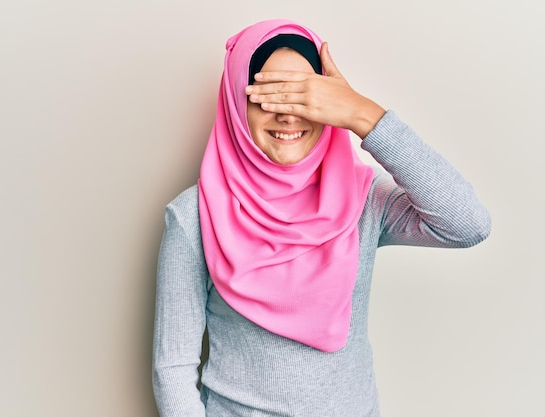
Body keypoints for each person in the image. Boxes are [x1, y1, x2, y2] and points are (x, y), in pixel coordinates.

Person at [152, 19, 491, 417]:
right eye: (266, 95)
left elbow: (467, 225)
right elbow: (173, 367)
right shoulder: (194, 216)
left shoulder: (363, 200)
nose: (287, 115)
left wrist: (363, 114)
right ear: (234, 101)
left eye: (304, 98)